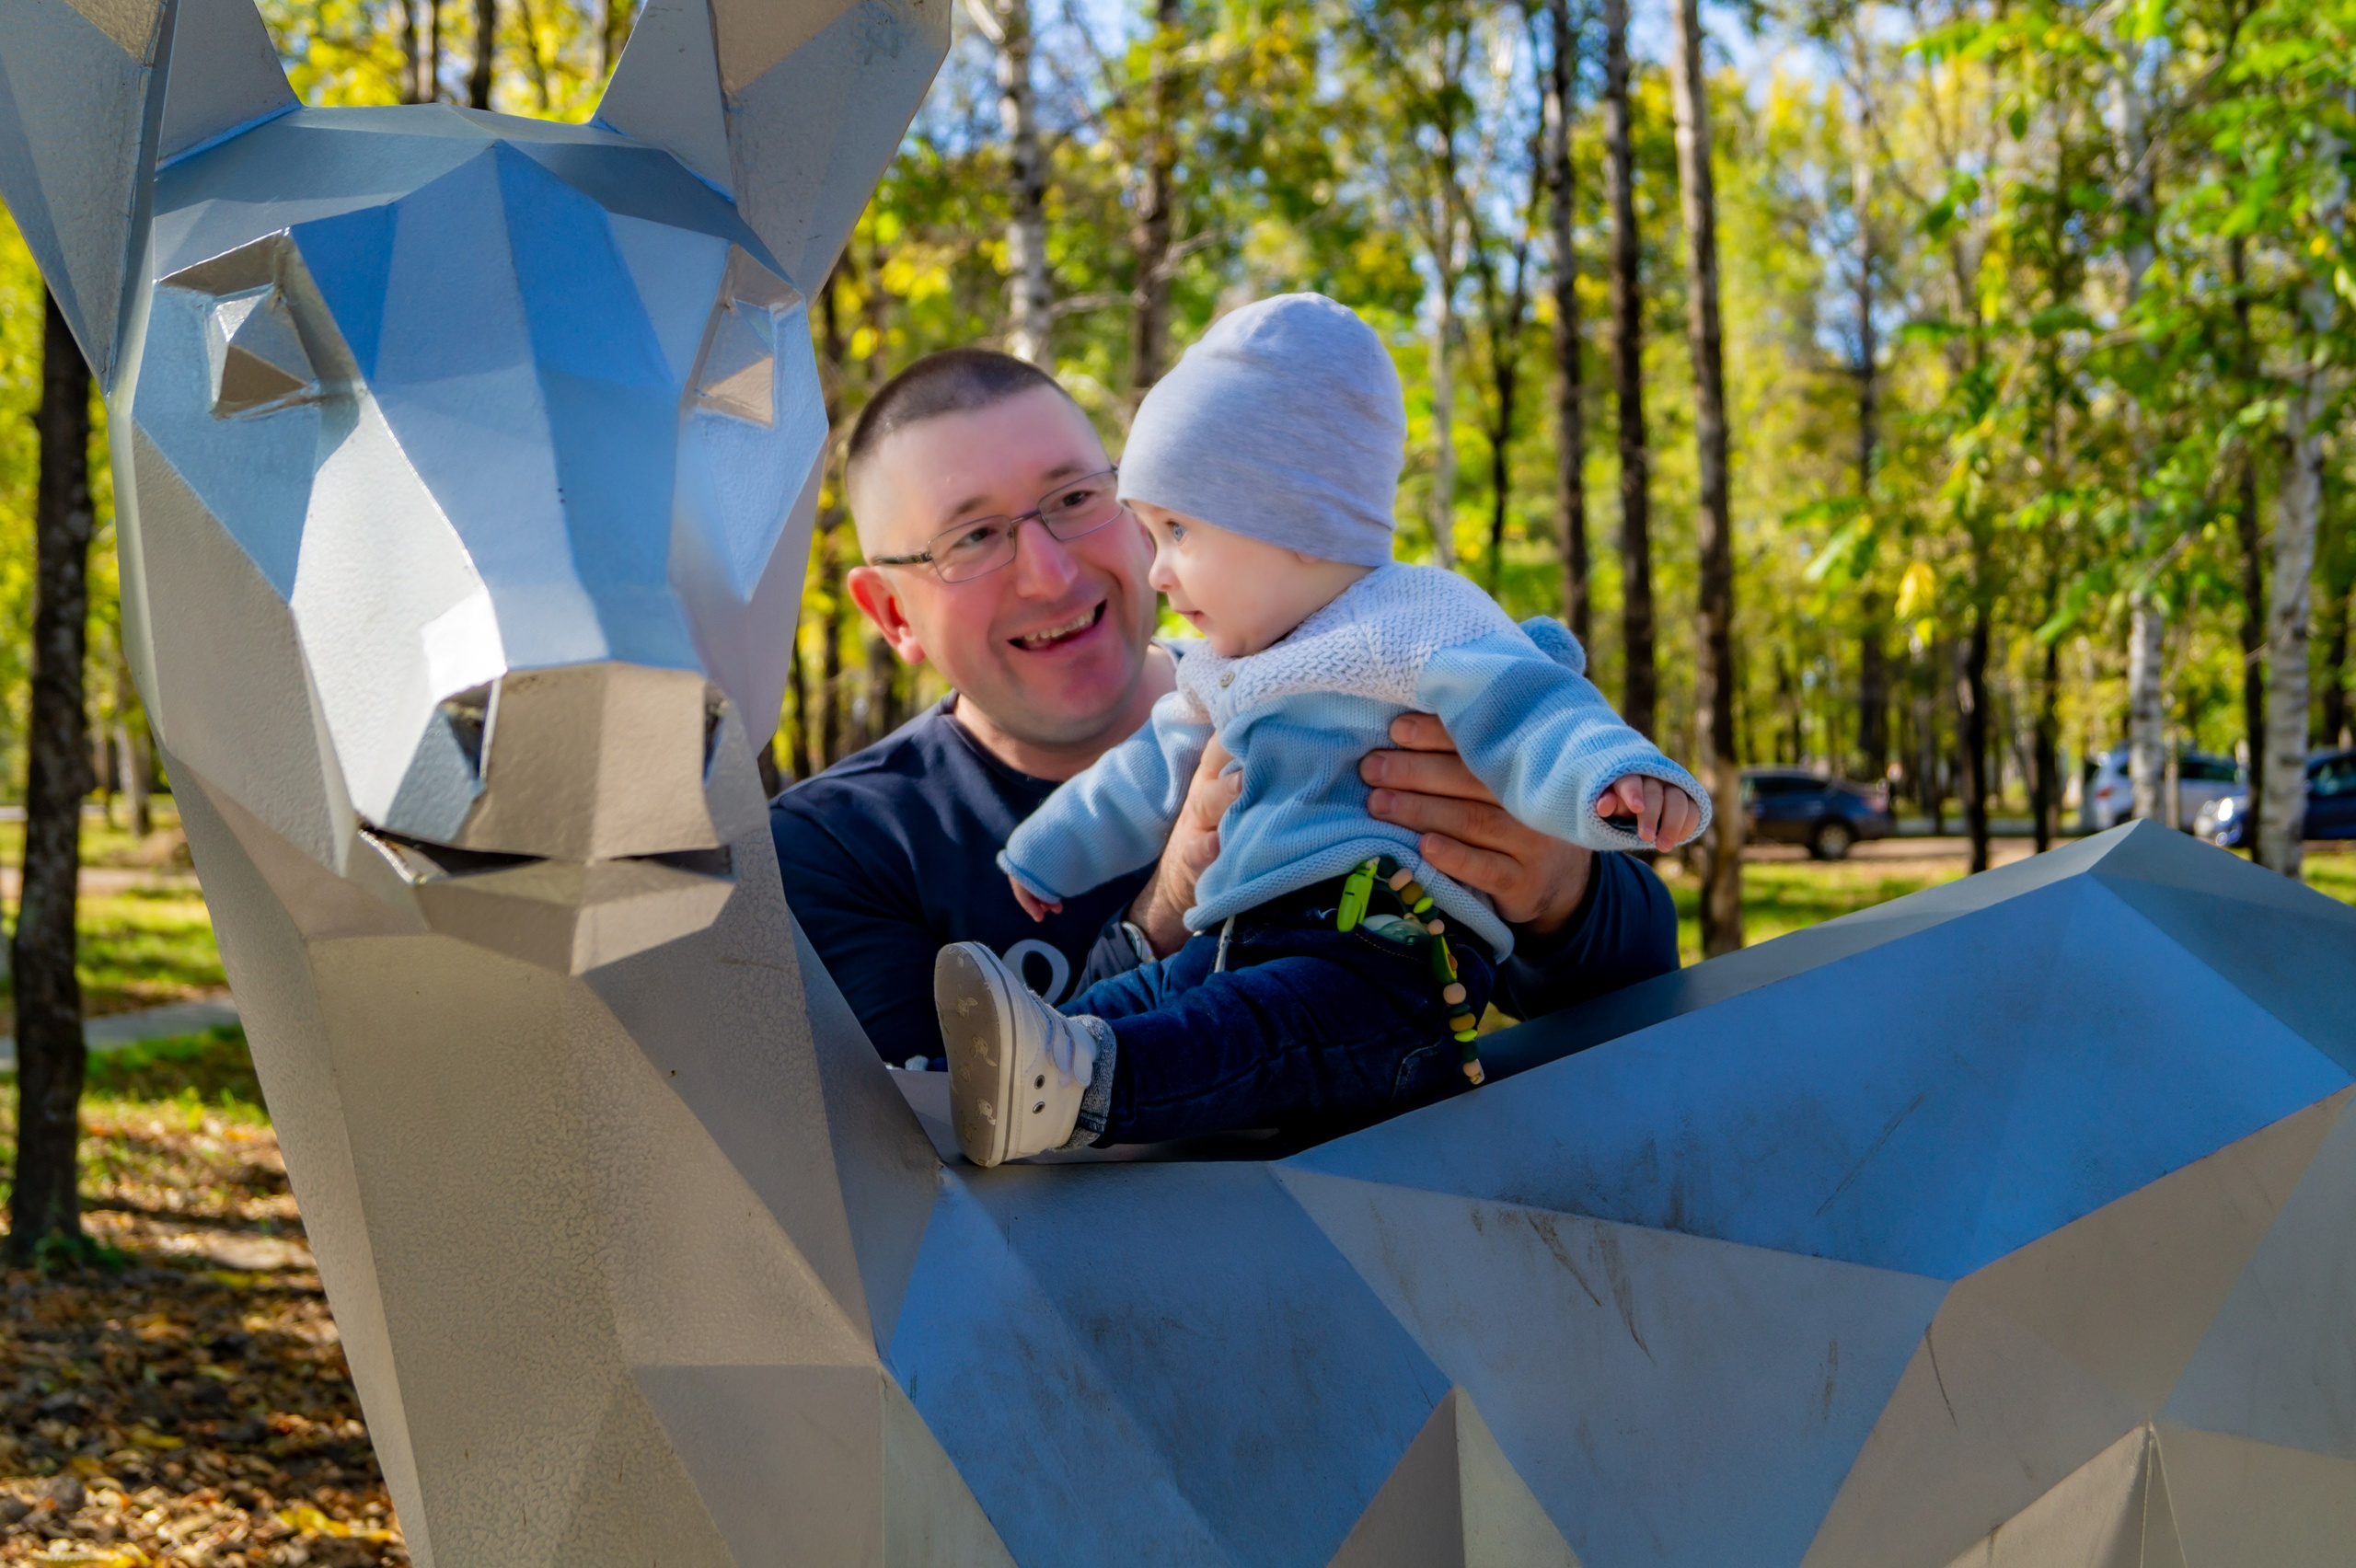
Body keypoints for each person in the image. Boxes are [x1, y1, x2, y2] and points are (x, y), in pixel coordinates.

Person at [768, 343, 1685, 1084]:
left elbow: (1645, 996)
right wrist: (1167, 910)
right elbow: (927, 1144)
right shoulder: (834, 851)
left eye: (1076, 500)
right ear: (891, 613)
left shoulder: (1358, 686)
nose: (1050, 574)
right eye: (972, 537)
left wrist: (1561, 890)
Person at [932, 294, 1706, 1167]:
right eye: (1150, 535)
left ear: (1292, 520)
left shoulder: (1412, 616)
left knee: (1257, 1027)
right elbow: (1145, 772)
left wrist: (1612, 773)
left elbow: (1529, 702)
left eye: (1178, 530)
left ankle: (1070, 1087)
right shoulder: (1226, 665)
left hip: (1383, 970)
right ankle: (1020, 1059)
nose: (1158, 571)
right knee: (1151, 994)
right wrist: (1045, 854)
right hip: (1243, 938)